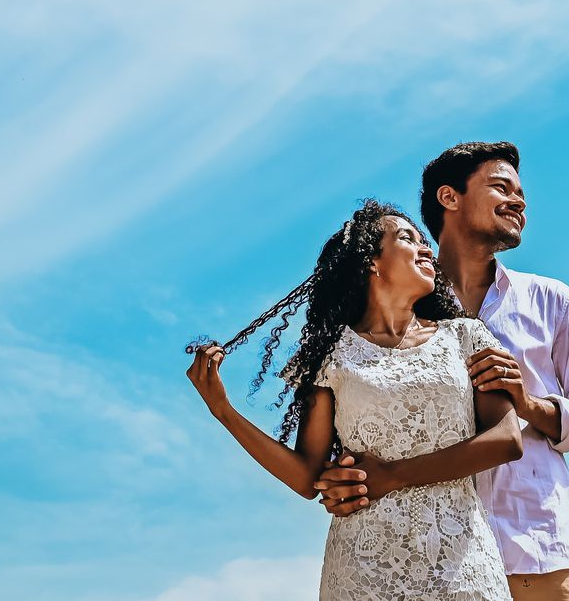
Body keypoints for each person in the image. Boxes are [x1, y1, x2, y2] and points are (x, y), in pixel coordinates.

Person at [315, 142, 569, 600]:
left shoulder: (552, 302)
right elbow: (351, 421)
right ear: (449, 198)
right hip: (427, 565)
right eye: (501, 187)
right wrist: (336, 477)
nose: (519, 201)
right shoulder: (388, 303)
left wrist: (528, 404)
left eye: (521, 193)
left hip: (538, 555)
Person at [185, 199, 522, 601]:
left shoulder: (466, 337)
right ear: (371, 262)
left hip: (461, 568)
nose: (426, 248)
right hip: (363, 571)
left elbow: (507, 439)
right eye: (407, 239)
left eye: (423, 240)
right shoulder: (331, 357)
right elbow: (306, 477)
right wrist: (223, 411)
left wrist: (393, 476)